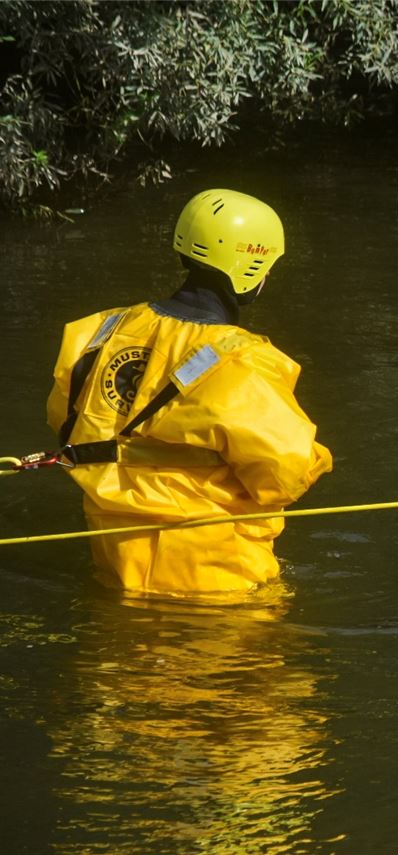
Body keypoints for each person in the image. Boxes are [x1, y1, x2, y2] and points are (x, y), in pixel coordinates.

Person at [46, 189, 333, 596]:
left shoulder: (101, 330)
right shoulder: (245, 363)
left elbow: (66, 423)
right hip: (213, 577)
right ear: (249, 268)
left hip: (114, 557)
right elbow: (284, 475)